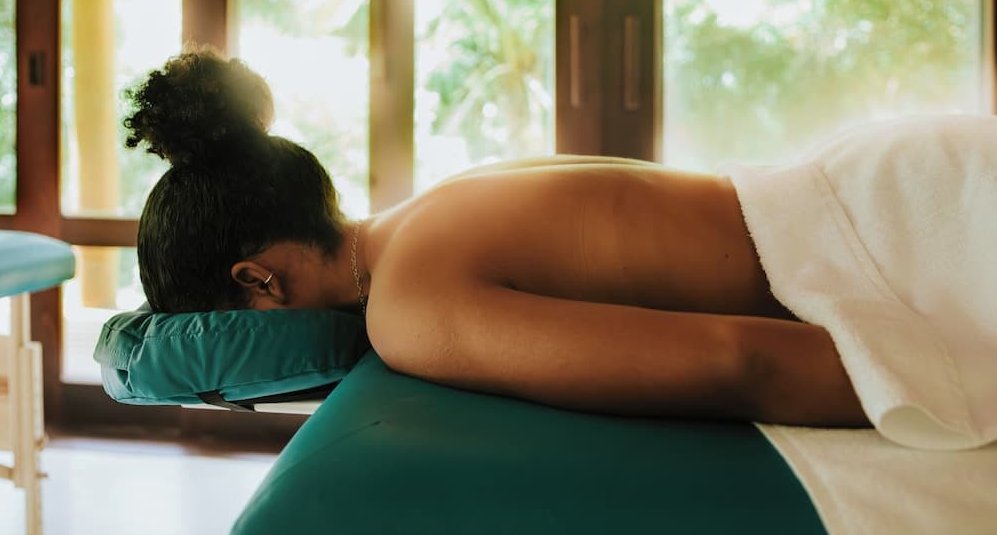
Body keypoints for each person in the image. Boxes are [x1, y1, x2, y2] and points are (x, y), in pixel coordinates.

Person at [124, 49, 869, 429]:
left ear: (257, 279)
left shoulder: (406, 309)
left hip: (882, 246)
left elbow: (740, 363)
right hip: (858, 184)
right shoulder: (440, 199)